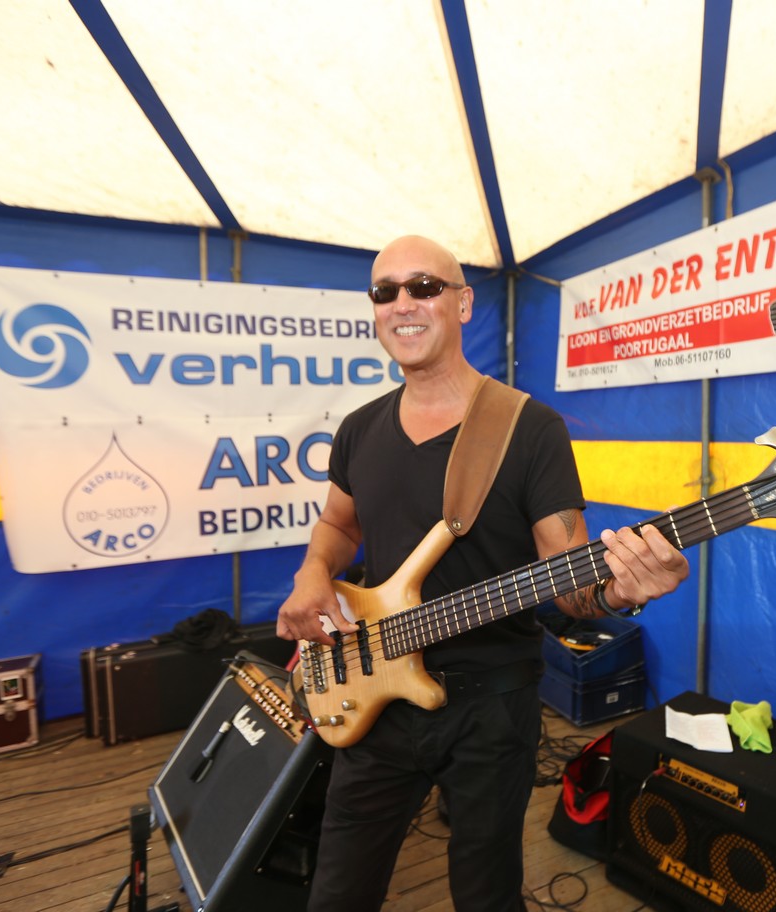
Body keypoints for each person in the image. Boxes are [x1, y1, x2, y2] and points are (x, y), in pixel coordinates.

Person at [276, 235, 689, 911]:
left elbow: (570, 584)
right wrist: (311, 573)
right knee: (337, 892)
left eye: (423, 287)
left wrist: (621, 590)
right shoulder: (358, 429)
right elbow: (339, 526)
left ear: (464, 303)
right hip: (373, 690)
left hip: (491, 710)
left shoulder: (529, 428)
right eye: (385, 292)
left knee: (486, 895)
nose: (402, 304)